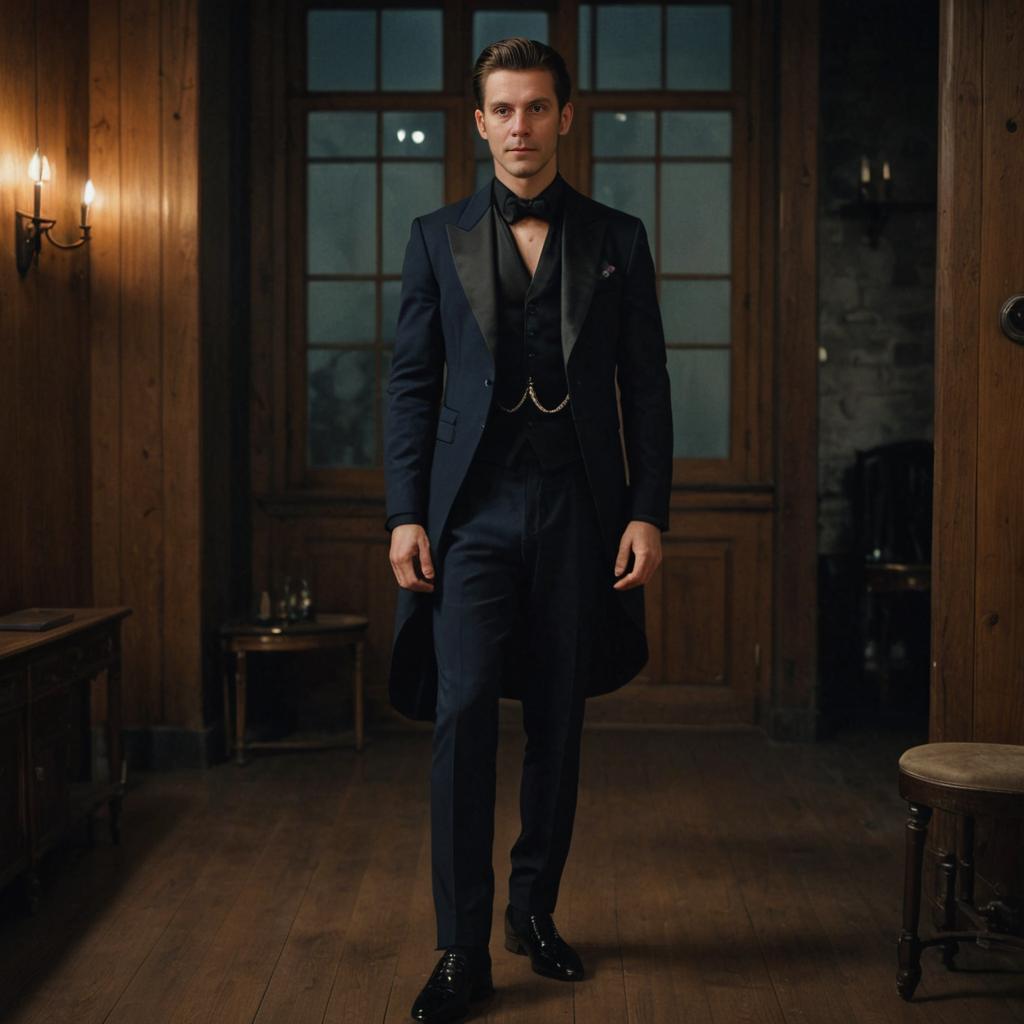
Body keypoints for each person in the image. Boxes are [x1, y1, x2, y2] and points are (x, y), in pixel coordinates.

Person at [385, 36, 673, 1024]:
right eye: (502, 110)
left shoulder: (618, 238)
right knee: (464, 716)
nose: (520, 127)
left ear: (564, 116)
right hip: (469, 517)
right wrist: (403, 515)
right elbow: (411, 387)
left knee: (558, 714)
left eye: (537, 108)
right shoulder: (435, 237)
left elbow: (648, 385)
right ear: (478, 122)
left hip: (580, 512)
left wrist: (647, 509)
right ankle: (462, 947)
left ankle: (533, 911)